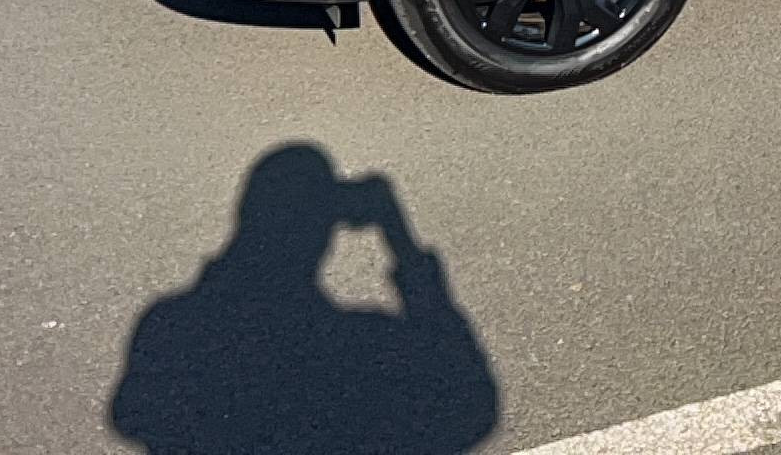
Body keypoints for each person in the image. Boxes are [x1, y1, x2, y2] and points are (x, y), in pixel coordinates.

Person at [111, 144, 498, 454]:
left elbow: (130, 415)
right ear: (327, 232)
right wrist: (396, 232)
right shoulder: (361, 344)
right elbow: (471, 403)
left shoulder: (173, 324)